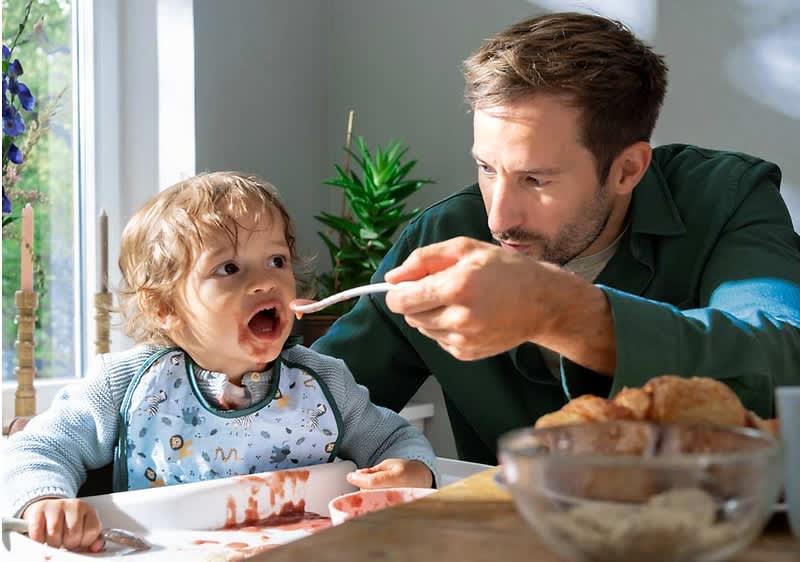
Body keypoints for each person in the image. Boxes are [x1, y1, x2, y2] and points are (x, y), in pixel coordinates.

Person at [312, 12, 800, 465]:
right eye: (487, 168)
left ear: (628, 169)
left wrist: (556, 311)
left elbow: (784, 360)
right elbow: (310, 407)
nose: (499, 218)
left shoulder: (725, 198)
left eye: (536, 179)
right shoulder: (444, 233)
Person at [2, 172, 437, 552]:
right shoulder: (125, 385)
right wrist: (45, 500)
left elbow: (393, 438)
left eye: (277, 261)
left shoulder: (324, 384)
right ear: (163, 307)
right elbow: (38, 447)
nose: (265, 281)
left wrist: (414, 471)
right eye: (229, 268)